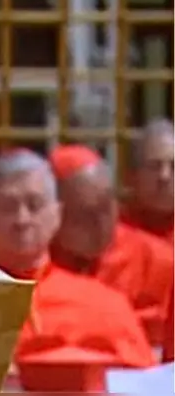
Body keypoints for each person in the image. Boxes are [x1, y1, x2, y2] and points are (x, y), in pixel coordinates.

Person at [0, 149, 155, 392]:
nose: (22, 219)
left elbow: (144, 386)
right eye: (7, 206)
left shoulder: (105, 304)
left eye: (35, 204)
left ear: (57, 214)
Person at [48, 144, 174, 346]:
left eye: (106, 209)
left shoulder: (158, 261)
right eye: (84, 214)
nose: (100, 225)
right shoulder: (30, 261)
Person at [122, 119, 174, 244]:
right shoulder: (110, 235)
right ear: (132, 176)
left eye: (173, 166)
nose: (164, 176)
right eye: (154, 166)